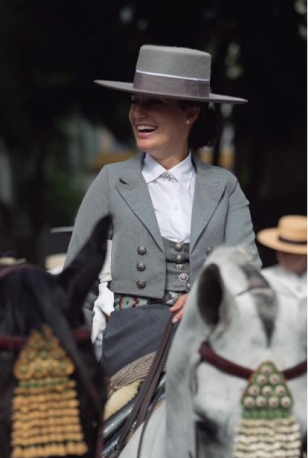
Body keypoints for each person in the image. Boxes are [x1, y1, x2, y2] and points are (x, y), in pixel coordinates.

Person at [65, 45, 260, 378]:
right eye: (135, 102)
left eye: (154, 102)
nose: (138, 113)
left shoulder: (224, 186)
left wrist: (211, 294)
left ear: (191, 113)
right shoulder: (112, 181)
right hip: (134, 341)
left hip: (214, 333)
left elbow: (248, 271)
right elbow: (75, 285)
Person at [257, 215, 307, 300]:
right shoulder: (265, 279)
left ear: (303, 254)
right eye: (279, 250)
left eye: (288, 252)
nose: (281, 256)